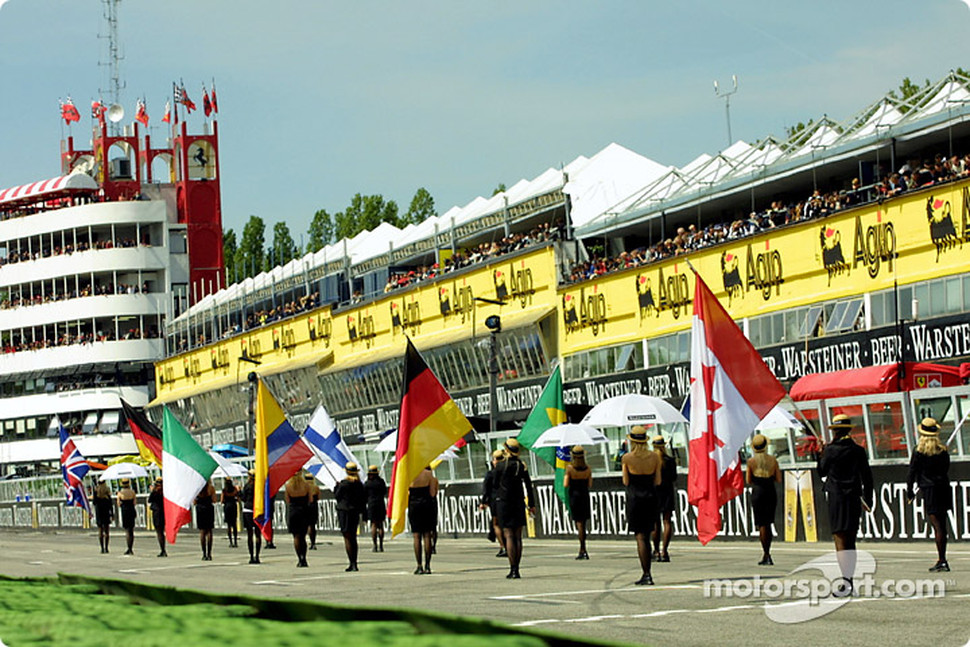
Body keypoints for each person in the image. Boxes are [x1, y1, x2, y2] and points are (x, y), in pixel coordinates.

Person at [818, 414, 873, 597]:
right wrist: (869, 499)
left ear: (835, 431)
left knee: (840, 539)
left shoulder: (831, 450)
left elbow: (822, 471)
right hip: (854, 497)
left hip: (836, 496)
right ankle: (849, 578)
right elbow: (867, 476)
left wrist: (821, 453)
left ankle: (846, 581)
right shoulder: (857, 450)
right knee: (851, 539)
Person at [907, 418, 952, 572]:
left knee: (937, 526)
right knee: (942, 525)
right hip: (943, 488)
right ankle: (942, 558)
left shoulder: (918, 451)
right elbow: (946, 468)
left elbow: (912, 471)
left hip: (929, 489)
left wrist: (910, 491)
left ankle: (942, 559)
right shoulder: (943, 450)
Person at [622, 427, 661, 585]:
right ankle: (654, 558)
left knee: (640, 537)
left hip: (635, 498)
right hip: (651, 497)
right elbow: (658, 481)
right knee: (650, 531)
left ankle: (646, 573)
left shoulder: (627, 458)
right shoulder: (655, 457)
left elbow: (626, 481)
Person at [493, 438, 536, 579]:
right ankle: (517, 567)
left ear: (506, 450)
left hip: (504, 502)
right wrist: (532, 505)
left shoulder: (500, 466)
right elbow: (529, 486)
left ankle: (512, 569)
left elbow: (494, 484)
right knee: (518, 536)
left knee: (509, 535)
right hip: (518, 501)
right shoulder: (521, 466)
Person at [746, 434, 781, 566]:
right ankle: (768, 552)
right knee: (768, 522)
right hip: (770, 491)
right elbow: (778, 479)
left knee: (761, 524)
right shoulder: (773, 460)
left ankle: (766, 553)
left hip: (758, 491)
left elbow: (748, 480)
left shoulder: (751, 462)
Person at [334, 462, 366, 572]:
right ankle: (355, 563)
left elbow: (337, 496)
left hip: (344, 511)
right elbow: (363, 500)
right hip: (354, 511)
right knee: (353, 537)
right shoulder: (359, 484)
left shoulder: (344, 484)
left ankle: (351, 562)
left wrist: (336, 487)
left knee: (347, 537)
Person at [408, 465, 439, 574]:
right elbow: (432, 493)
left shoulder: (409, 473)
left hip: (414, 504)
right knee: (427, 535)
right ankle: (428, 565)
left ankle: (419, 565)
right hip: (426, 504)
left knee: (416, 536)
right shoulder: (428, 474)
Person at [651, 435, 677, 563]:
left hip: (655, 492)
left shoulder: (651, 460)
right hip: (667, 491)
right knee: (667, 521)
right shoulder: (670, 460)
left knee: (655, 523)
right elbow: (674, 477)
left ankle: (656, 550)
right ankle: (665, 550)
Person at [563, 446, 592, 560]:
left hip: (575, 496)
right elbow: (590, 484)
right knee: (583, 523)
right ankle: (583, 547)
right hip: (584, 495)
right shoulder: (587, 468)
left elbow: (566, 484)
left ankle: (582, 549)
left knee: (578, 523)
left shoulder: (570, 469)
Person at [478, 449, 507, 558]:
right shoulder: (507, 471)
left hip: (495, 500)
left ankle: (503, 546)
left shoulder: (491, 473)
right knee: (504, 524)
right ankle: (506, 545)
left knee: (496, 523)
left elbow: (486, 489)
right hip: (506, 499)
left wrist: (483, 502)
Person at [285, 471, 311, 568]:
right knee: (303, 536)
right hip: (304, 511)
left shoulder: (288, 486)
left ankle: (299, 559)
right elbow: (310, 499)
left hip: (294, 511)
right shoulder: (306, 485)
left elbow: (287, 500)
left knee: (296, 536)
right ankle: (304, 558)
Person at [363, 465, 387, 553]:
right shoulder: (381, 482)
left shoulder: (367, 483)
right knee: (380, 524)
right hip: (380, 503)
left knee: (373, 525)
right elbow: (385, 492)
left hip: (371, 504)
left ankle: (374, 545)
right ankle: (381, 545)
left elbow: (364, 495)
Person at [241, 470, 261, 564]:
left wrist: (239, 492)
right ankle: (257, 556)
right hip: (257, 509)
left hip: (247, 510)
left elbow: (243, 499)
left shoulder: (247, 486)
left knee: (250, 534)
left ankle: (251, 556)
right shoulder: (259, 486)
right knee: (258, 534)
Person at [195, 479, 216, 561]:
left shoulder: (197, 489)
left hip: (200, 509)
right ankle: (209, 553)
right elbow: (214, 500)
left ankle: (204, 554)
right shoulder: (211, 488)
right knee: (209, 531)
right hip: (209, 508)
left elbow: (194, 502)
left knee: (202, 532)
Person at [92, 481, 113, 554]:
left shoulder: (96, 492)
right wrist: (112, 514)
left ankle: (102, 548)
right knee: (107, 530)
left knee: (100, 530)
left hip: (99, 512)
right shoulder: (107, 491)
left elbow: (94, 502)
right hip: (106, 511)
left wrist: (95, 493)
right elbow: (110, 503)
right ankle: (106, 547)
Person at [147, 478, 167, 557]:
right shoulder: (164, 492)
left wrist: (152, 491)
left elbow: (149, 500)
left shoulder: (155, 492)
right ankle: (163, 549)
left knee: (159, 532)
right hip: (163, 511)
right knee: (161, 531)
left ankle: (163, 550)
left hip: (157, 512)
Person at [117, 478, 137, 555]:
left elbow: (118, 504)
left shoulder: (120, 493)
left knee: (127, 530)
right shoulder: (132, 492)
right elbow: (134, 503)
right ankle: (131, 547)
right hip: (131, 510)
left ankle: (129, 548)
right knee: (131, 529)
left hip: (125, 511)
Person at [221, 478, 239, 548]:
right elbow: (238, 498)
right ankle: (235, 541)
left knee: (229, 525)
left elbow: (222, 500)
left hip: (227, 507)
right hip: (233, 506)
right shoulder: (234, 489)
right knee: (234, 524)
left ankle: (230, 542)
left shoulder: (224, 490)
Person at [305, 473, 321, 550]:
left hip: (306, 505)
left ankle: (307, 541)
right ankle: (313, 542)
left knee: (306, 525)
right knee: (312, 525)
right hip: (313, 506)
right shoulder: (315, 487)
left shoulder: (304, 487)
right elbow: (318, 497)